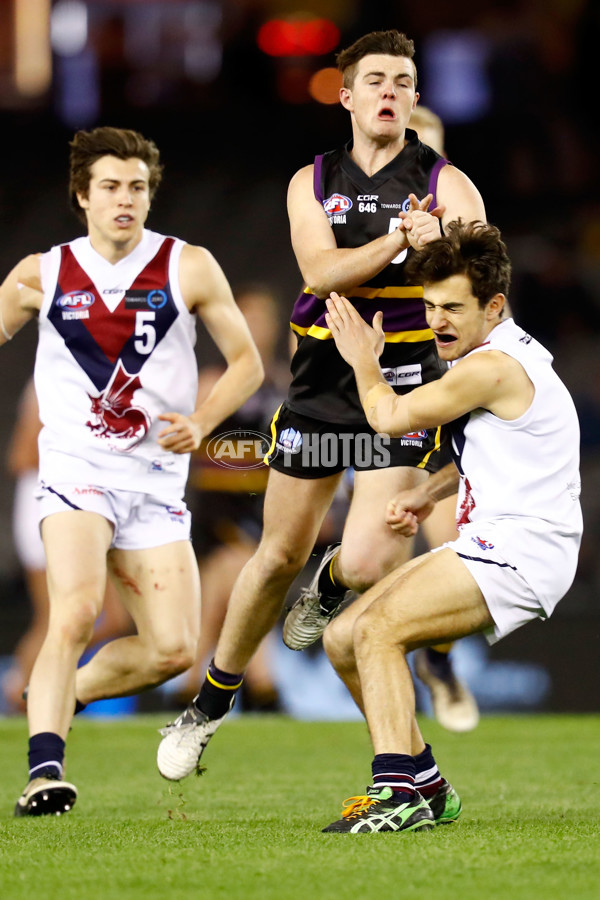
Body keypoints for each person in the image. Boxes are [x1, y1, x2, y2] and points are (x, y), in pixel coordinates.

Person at [157, 29, 485, 781]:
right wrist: (397, 244)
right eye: (375, 80)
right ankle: (208, 706)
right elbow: (320, 270)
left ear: (414, 97)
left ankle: (330, 586)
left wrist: (443, 247)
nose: (389, 92)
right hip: (321, 383)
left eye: (403, 81)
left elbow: (479, 275)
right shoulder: (312, 180)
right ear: (346, 95)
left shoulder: (447, 183)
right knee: (275, 556)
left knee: (369, 559)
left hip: (402, 384)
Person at [0, 126, 264, 816]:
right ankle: (44, 772)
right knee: (79, 609)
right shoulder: (41, 274)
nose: (126, 200)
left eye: (138, 188)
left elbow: (248, 365)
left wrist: (203, 423)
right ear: (82, 196)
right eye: (111, 187)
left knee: (174, 649)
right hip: (76, 471)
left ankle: (61, 695)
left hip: (154, 482)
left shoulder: (188, 266)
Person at [317, 220, 582, 832]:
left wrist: (364, 360)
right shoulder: (504, 356)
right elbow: (493, 450)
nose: (437, 320)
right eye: (430, 305)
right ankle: (428, 785)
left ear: (494, 305)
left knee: (378, 630)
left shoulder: (489, 367)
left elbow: (388, 416)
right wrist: (428, 493)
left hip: (522, 548)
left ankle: (395, 794)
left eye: (453, 307)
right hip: (501, 539)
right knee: (342, 638)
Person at [2, 378, 134, 714]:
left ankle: (37, 684)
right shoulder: (49, 381)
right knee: (54, 618)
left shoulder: (102, 382)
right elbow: (22, 456)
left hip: (85, 505)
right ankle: (21, 690)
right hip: (46, 503)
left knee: (112, 618)